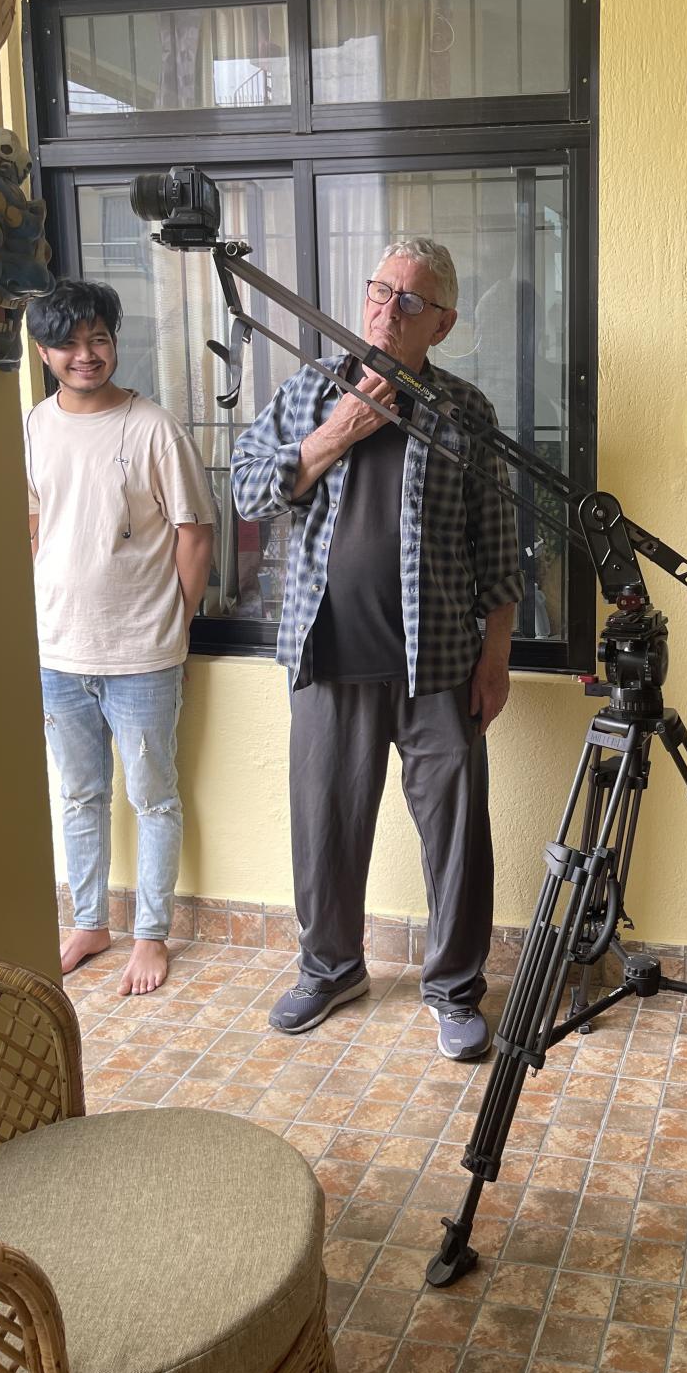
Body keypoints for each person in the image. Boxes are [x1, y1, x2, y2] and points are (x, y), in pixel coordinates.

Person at [230, 239, 522, 1059]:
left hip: (441, 662)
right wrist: (338, 431)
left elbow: (497, 546)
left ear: (444, 324)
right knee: (323, 827)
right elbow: (247, 489)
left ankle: (455, 989)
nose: (389, 309)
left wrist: (496, 659)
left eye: (412, 300)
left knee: (457, 837)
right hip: (326, 656)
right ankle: (330, 968)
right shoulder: (311, 389)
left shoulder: (465, 412)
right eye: (380, 291)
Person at [25, 281, 215, 997]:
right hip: (56, 650)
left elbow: (195, 535)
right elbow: (34, 523)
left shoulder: (154, 428)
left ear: (114, 341)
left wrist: (177, 627)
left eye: (98, 339)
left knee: (153, 796)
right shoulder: (34, 426)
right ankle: (88, 923)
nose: (86, 354)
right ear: (43, 352)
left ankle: (151, 934)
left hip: (142, 653)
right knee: (78, 795)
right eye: (68, 343)